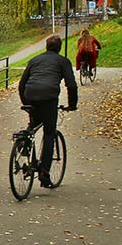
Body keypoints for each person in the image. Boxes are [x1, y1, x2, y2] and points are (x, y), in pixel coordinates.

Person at [18, 35, 78, 188]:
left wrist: (26, 104)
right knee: (50, 132)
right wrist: (72, 105)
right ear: (59, 48)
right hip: (49, 99)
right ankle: (44, 173)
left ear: (46, 46)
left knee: (34, 123)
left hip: (30, 95)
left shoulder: (35, 60)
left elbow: (22, 84)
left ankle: (24, 141)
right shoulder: (63, 61)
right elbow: (71, 85)